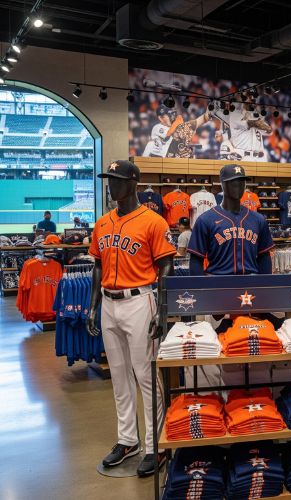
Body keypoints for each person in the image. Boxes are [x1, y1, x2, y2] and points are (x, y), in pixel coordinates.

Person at [86, 160, 175, 476]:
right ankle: (128, 440)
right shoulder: (102, 222)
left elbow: (167, 266)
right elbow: (97, 264)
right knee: (120, 377)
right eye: (109, 179)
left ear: (133, 183)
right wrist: (93, 305)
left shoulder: (154, 221)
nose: (111, 185)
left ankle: (156, 445)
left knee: (147, 376)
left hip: (140, 300)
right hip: (109, 303)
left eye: (117, 179)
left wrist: (163, 310)